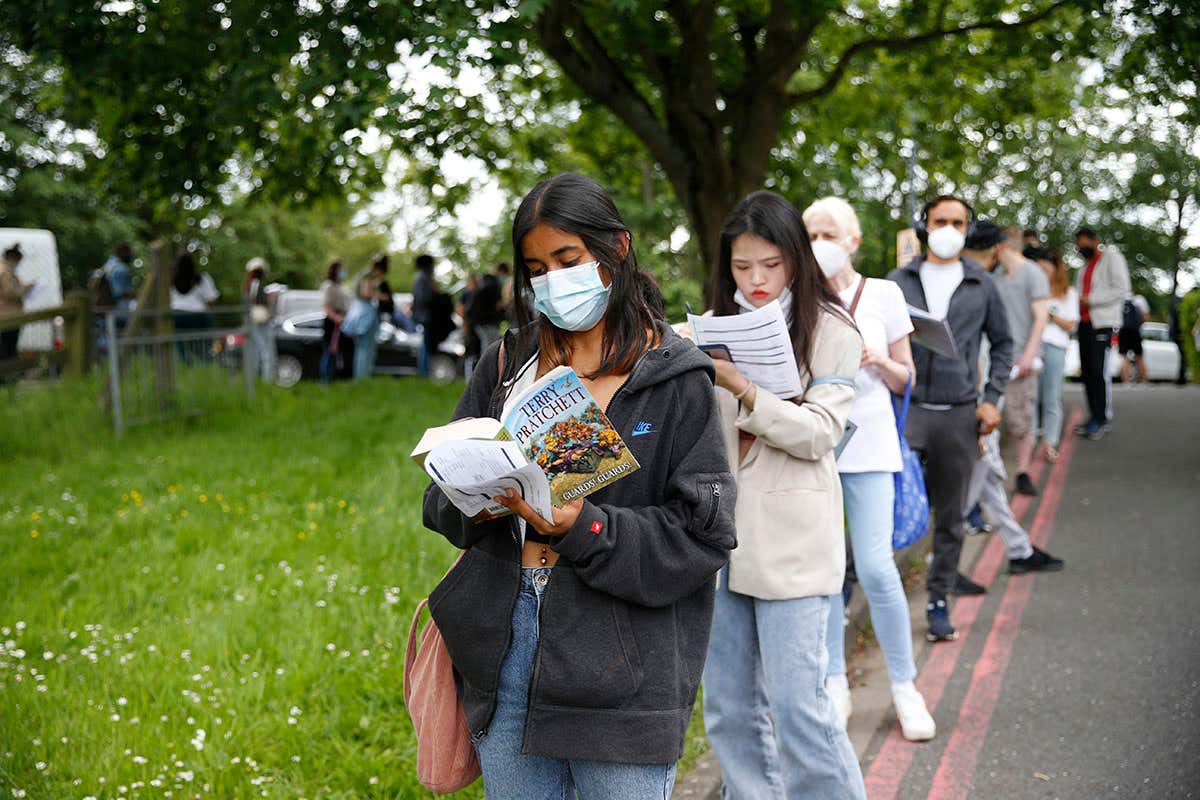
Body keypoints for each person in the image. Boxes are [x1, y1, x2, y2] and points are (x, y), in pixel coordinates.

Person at [421, 172, 736, 800]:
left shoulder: (676, 380)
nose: (553, 280)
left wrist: (585, 526)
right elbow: (438, 502)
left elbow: (703, 536)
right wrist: (479, 496)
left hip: (624, 675)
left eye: (568, 259)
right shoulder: (509, 365)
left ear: (615, 249)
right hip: (507, 656)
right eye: (537, 267)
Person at [698, 190, 866, 799]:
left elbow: (821, 433)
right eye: (743, 267)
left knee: (802, 709)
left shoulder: (831, 330)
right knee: (729, 708)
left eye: (770, 265)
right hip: (720, 537)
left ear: (795, 257)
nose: (757, 279)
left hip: (794, 541)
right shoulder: (713, 326)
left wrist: (743, 387)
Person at [803, 196, 936, 743]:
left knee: (877, 567)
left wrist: (877, 360)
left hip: (873, 445)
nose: (818, 243)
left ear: (853, 241)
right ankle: (835, 683)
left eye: (829, 233)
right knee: (827, 571)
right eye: (809, 233)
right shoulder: (795, 300)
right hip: (814, 447)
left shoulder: (883, 294)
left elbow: (909, 379)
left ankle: (905, 686)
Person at [889, 196, 1012, 641]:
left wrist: (992, 397)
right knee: (884, 505)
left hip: (959, 413)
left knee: (952, 517)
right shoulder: (898, 280)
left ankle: (938, 601)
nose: (948, 228)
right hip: (906, 409)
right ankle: (861, 594)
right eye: (940, 220)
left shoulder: (981, 283)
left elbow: (1003, 344)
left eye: (957, 222)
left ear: (967, 228)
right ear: (925, 226)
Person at [990, 227, 1050, 496]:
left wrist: (1029, 353)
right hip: (997, 358)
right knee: (996, 418)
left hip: (1022, 360)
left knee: (1022, 418)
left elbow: (1041, 317)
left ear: (1001, 247)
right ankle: (993, 476)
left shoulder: (1033, 274)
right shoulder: (997, 277)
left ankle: (1023, 471)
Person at [1073, 226, 1131, 439]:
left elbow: (1121, 288)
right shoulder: (1083, 268)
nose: (1081, 248)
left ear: (1094, 240)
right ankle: (1094, 416)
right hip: (1084, 324)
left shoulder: (1111, 258)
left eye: (1084, 244)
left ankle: (1102, 418)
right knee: (1087, 373)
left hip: (1102, 323)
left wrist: (1091, 300)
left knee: (1098, 372)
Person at [1032, 247, 1078, 462]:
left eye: (1045, 268)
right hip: (1033, 346)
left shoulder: (1068, 293)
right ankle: (1030, 440)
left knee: (1051, 398)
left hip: (1055, 347)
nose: (1042, 271)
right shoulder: (1032, 288)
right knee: (1031, 397)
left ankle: (1050, 442)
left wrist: (1048, 315)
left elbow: (1070, 324)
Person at [243, 257, 277, 381]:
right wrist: (270, 299)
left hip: (255, 321)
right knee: (266, 352)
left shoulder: (250, 285)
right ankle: (266, 380)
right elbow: (258, 304)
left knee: (258, 351)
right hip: (261, 322)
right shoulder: (257, 285)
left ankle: (257, 379)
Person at [319, 259, 354, 382]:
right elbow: (326, 305)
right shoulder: (328, 286)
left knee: (346, 352)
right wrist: (335, 317)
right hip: (333, 324)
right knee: (330, 351)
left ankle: (342, 378)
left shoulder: (343, 287)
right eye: (341, 269)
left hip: (345, 322)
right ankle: (326, 379)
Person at [1, 244, 34, 368]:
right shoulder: (5, 272)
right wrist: (25, 289)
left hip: (9, 315)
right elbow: (9, 292)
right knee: (7, 347)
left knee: (8, 346)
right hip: (8, 315)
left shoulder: (7, 271)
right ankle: (6, 374)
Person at [351, 269, 381, 381]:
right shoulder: (367, 277)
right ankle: (362, 379)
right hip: (366, 317)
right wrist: (378, 294)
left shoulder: (364, 277)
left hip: (365, 316)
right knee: (365, 351)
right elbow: (367, 293)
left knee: (364, 350)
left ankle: (362, 378)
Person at [410, 253, 436, 377]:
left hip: (423, 316)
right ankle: (424, 373)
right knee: (425, 347)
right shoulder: (423, 278)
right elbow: (423, 298)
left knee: (425, 346)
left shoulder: (421, 278)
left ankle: (424, 373)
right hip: (424, 317)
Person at [1118, 292, 1151, 384]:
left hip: (1122, 330)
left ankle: (1126, 381)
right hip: (1135, 331)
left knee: (1124, 357)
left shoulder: (1120, 299)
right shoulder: (1139, 299)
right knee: (1139, 356)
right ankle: (1144, 380)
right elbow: (1146, 316)